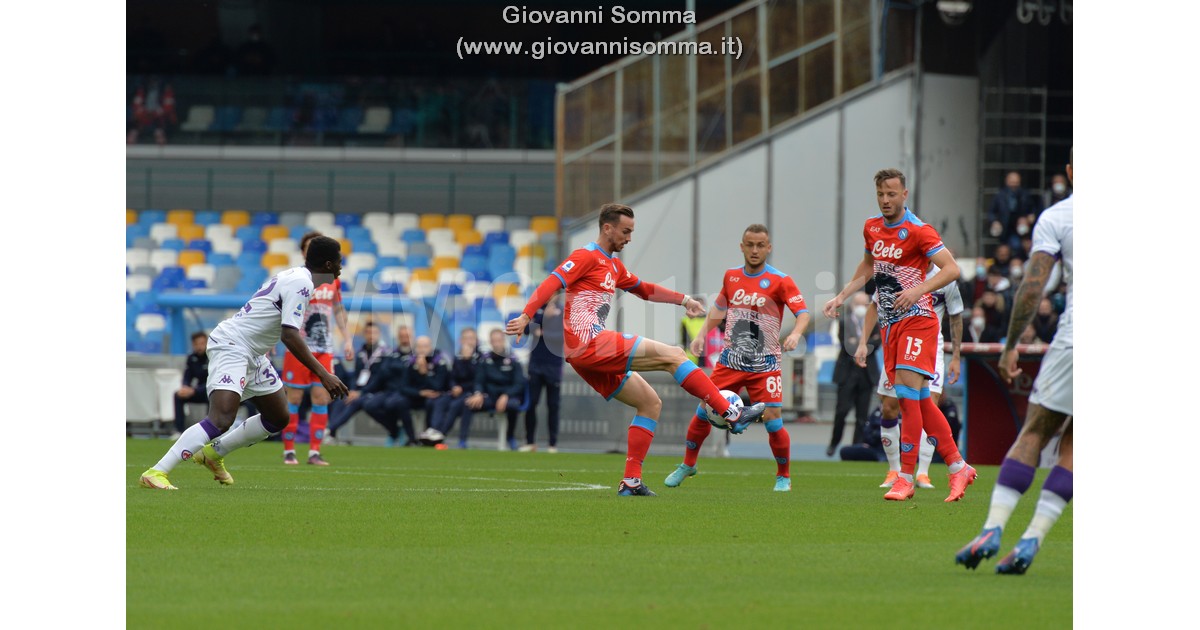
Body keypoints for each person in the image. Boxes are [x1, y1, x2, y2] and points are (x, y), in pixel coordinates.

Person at [506, 203, 767, 497]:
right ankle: (730, 412)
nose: (629, 238)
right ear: (608, 228)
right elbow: (552, 282)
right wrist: (527, 315)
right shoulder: (585, 256)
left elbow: (644, 289)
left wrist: (684, 300)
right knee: (675, 356)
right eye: (626, 231)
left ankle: (631, 481)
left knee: (650, 403)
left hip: (585, 356)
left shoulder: (614, 266)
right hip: (588, 343)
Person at [139, 236, 349, 490]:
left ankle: (213, 453)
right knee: (221, 419)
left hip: (253, 352)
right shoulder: (301, 283)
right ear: (328, 264)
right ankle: (157, 471)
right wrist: (324, 374)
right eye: (339, 261)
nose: (341, 266)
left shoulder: (298, 278)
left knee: (278, 417)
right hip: (233, 345)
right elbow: (289, 334)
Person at [823, 168, 975, 502]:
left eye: (892, 194)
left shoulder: (919, 230)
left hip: (918, 321)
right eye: (880, 194)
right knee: (918, 401)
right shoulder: (872, 227)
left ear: (904, 194)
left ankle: (905, 477)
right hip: (890, 326)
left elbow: (952, 269)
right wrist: (842, 296)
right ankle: (958, 466)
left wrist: (919, 289)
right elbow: (868, 267)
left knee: (906, 397)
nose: (885, 200)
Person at [957, 151, 1073, 575]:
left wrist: (1009, 346)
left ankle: (992, 529)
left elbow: (1032, 286)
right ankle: (1032, 538)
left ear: (1069, 171)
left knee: (1036, 431)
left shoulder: (1059, 216)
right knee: (1077, 445)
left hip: (1076, 340)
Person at [662, 224, 810, 491]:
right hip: (730, 361)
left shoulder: (781, 280)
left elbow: (803, 313)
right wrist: (701, 336)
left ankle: (783, 475)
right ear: (742, 246)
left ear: (768, 248)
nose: (754, 250)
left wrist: (796, 334)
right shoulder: (731, 277)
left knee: (773, 420)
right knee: (703, 411)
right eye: (750, 245)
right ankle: (688, 464)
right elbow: (718, 310)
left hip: (765, 364)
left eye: (760, 245)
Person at [857, 261, 965, 489]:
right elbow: (875, 305)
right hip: (897, 343)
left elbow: (956, 316)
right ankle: (895, 470)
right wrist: (863, 342)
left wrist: (955, 356)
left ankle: (922, 472)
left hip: (931, 345)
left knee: (928, 406)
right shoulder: (899, 270)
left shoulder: (945, 277)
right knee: (889, 407)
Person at [280, 232, 354, 466]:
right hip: (298, 347)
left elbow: (338, 309)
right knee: (294, 398)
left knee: (321, 399)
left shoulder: (332, 280)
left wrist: (348, 339)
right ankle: (289, 451)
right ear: (304, 251)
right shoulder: (298, 279)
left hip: (324, 347)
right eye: (308, 246)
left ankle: (314, 452)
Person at [826, 291, 879, 457]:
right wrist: (862, 345)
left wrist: (858, 343)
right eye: (858, 304)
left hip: (866, 373)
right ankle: (834, 442)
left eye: (864, 305)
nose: (861, 308)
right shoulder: (844, 322)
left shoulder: (875, 323)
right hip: (847, 372)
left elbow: (877, 342)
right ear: (852, 305)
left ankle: (857, 446)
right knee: (841, 411)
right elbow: (845, 343)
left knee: (862, 415)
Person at [326, 321, 390, 442]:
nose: (371, 335)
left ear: (379, 334)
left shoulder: (385, 353)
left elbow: (379, 378)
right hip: (359, 391)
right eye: (368, 332)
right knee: (340, 400)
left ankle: (329, 430)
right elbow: (356, 375)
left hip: (376, 392)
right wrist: (352, 390)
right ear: (364, 334)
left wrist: (361, 392)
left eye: (374, 332)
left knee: (355, 402)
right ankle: (332, 435)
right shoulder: (361, 352)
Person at [466, 329, 527, 451]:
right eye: (494, 341)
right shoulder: (484, 360)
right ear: (490, 342)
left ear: (503, 341)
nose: (497, 344)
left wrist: (506, 395)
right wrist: (478, 393)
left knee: (513, 405)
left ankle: (510, 437)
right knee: (469, 403)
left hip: (508, 397)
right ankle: (463, 440)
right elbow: (479, 381)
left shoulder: (513, 360)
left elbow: (519, 384)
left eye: (499, 340)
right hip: (490, 397)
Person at [359, 328, 420, 446]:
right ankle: (394, 430)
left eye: (407, 336)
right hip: (390, 391)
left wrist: (396, 368)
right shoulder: (391, 354)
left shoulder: (417, 355)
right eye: (402, 336)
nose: (404, 339)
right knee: (369, 405)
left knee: (394, 403)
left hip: (408, 392)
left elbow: (408, 372)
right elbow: (383, 371)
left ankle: (412, 438)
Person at [520, 296, 564, 452]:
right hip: (535, 365)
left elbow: (563, 336)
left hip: (553, 365)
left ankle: (552, 444)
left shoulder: (563, 311)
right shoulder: (536, 309)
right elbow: (526, 329)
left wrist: (543, 334)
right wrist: (544, 317)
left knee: (553, 406)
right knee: (531, 404)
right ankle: (530, 442)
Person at [402, 336, 452, 446]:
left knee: (433, 402)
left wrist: (425, 373)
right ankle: (411, 438)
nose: (422, 350)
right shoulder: (410, 362)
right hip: (417, 396)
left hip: (437, 397)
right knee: (399, 402)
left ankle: (432, 432)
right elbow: (403, 387)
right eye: (419, 347)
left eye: (425, 346)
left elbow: (438, 387)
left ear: (431, 348)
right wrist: (420, 393)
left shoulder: (439, 361)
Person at [440, 327, 483, 448]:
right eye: (466, 338)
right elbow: (452, 377)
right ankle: (433, 431)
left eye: (471, 338)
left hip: (473, 393)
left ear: (477, 341)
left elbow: (477, 379)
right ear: (460, 340)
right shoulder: (457, 357)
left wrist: (467, 360)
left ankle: (442, 435)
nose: (469, 341)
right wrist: (454, 386)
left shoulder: (482, 358)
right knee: (439, 402)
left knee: (459, 405)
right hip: (458, 393)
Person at [172, 332, 211, 439]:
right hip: (197, 391)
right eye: (197, 344)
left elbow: (212, 381)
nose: (200, 347)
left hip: (209, 390)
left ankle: (210, 430)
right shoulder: (191, 358)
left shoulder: (212, 357)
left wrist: (195, 390)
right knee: (177, 396)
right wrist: (185, 387)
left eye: (202, 343)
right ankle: (179, 430)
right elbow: (187, 376)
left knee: (212, 397)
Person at [987, 171, 1040, 243]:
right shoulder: (999, 196)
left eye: (1016, 182)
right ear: (1007, 182)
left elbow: (1033, 211)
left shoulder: (1025, 195)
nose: (1014, 185)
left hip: (1020, 228)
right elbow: (991, 212)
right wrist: (995, 221)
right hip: (1004, 227)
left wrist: (1027, 219)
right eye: (1012, 182)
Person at [680, 295, 709, 365]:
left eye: (702, 305)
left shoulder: (709, 320)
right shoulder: (685, 320)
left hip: (707, 353)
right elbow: (683, 338)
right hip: (691, 353)